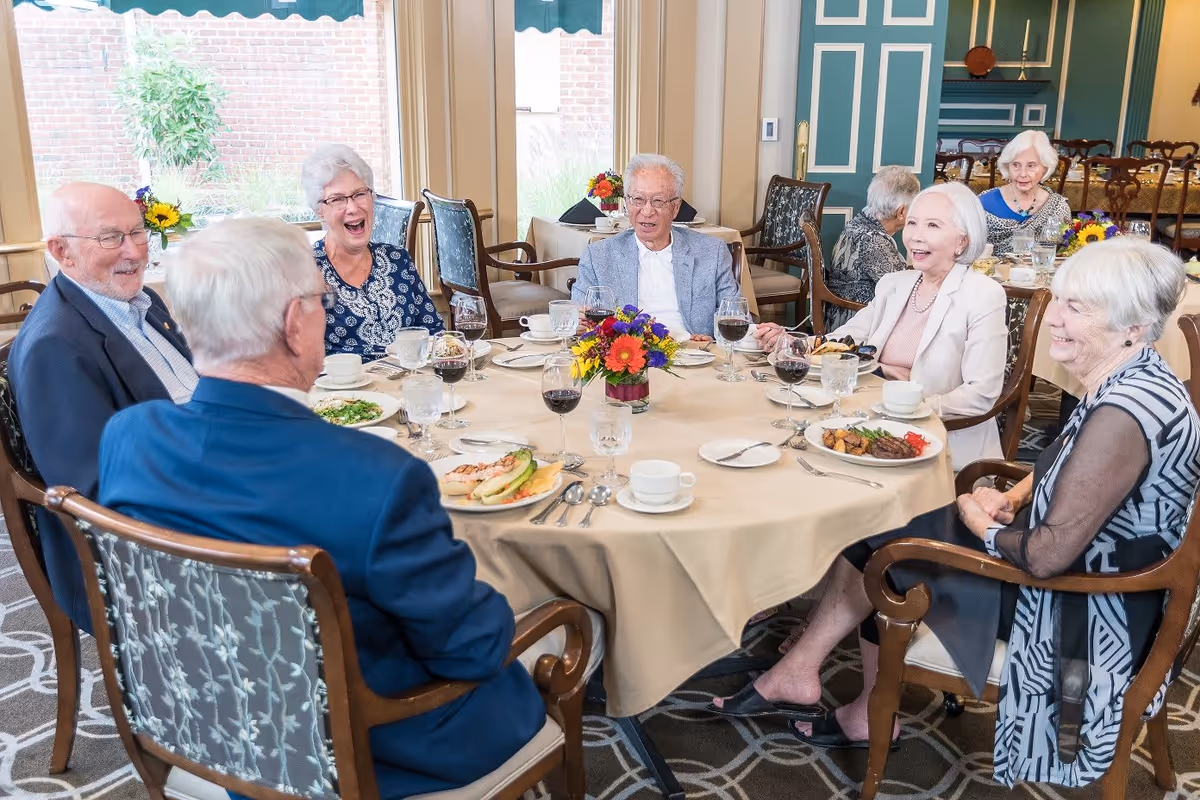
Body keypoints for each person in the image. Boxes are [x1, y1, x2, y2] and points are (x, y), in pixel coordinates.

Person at [714, 237, 1200, 790]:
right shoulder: (1136, 378)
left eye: (1077, 308)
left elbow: (1044, 557)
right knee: (878, 536)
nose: (1054, 319)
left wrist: (978, 517)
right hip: (1104, 568)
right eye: (1059, 299)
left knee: (887, 554)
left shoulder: (1121, 415)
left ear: (1133, 326)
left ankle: (836, 694)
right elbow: (1074, 462)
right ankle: (805, 673)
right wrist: (1014, 497)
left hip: (1088, 605)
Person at [96, 217, 545, 797]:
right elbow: (473, 651)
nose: (326, 312)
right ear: (294, 322)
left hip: (205, 724)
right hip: (372, 750)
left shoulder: (128, 437)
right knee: (563, 627)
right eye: (320, 299)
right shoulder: (374, 476)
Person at [8, 182, 197, 632]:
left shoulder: (134, 303)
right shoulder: (55, 346)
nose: (133, 251)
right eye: (111, 238)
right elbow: (96, 490)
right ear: (61, 251)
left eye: (138, 233)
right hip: (138, 551)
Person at [758, 183, 1007, 470]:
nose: (916, 236)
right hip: (870, 419)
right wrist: (790, 341)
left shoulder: (982, 295)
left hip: (936, 438)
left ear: (962, 241)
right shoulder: (895, 284)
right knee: (786, 449)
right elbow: (844, 340)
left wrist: (911, 403)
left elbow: (981, 393)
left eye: (933, 226)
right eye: (912, 223)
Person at [570, 153, 740, 341]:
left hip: (695, 356)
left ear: (675, 207)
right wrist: (577, 322)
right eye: (638, 200)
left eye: (658, 201)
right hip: (626, 360)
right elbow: (577, 319)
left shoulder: (711, 252)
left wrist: (716, 340)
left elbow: (735, 317)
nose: (647, 211)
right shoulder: (598, 256)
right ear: (626, 203)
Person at [302, 144, 443, 358]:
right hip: (344, 390)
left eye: (359, 194)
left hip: (409, 383)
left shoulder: (397, 260)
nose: (352, 208)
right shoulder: (305, 272)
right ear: (319, 211)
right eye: (338, 199)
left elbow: (434, 331)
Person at [824, 166, 920, 331]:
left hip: (841, 312)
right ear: (901, 212)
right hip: (855, 321)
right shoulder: (873, 240)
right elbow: (905, 290)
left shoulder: (860, 222)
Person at [980, 130, 1071, 255]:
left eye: (1031, 165)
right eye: (1016, 165)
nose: (1023, 174)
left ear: (1045, 168)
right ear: (1007, 167)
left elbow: (1062, 254)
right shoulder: (983, 203)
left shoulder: (1057, 207)